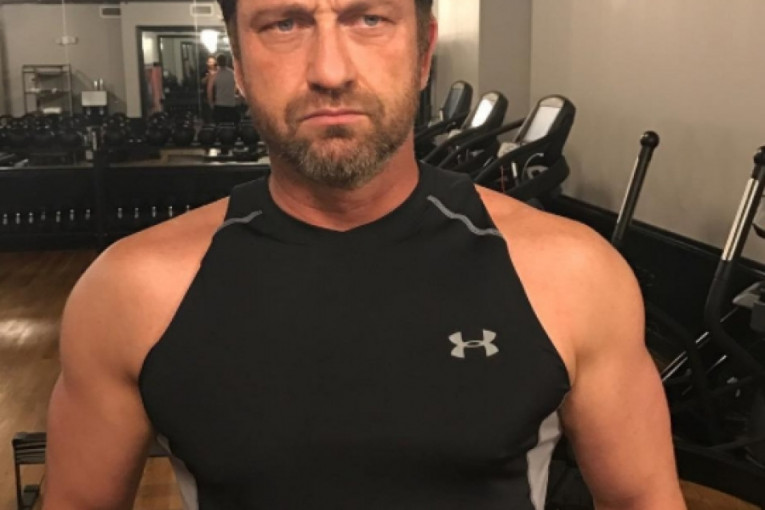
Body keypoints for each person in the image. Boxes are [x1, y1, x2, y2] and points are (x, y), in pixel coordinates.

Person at [42, 1, 687, 509]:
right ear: (238, 63)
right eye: (284, 23)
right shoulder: (133, 290)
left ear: (424, 51)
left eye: (369, 18)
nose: (330, 71)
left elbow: (641, 499)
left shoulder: (570, 273)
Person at [207, 53, 240, 124]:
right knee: (232, 127)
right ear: (226, 61)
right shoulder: (233, 73)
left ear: (217, 62)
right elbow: (238, 87)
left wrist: (211, 103)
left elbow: (209, 90)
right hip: (231, 104)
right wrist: (236, 96)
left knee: (219, 127)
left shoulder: (214, 75)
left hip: (219, 104)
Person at [200, 56, 218, 123]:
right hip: (206, 99)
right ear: (207, 63)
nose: (211, 64)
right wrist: (208, 77)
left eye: (212, 62)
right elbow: (202, 82)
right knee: (208, 118)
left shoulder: (219, 71)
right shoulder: (204, 71)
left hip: (217, 97)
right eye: (209, 62)